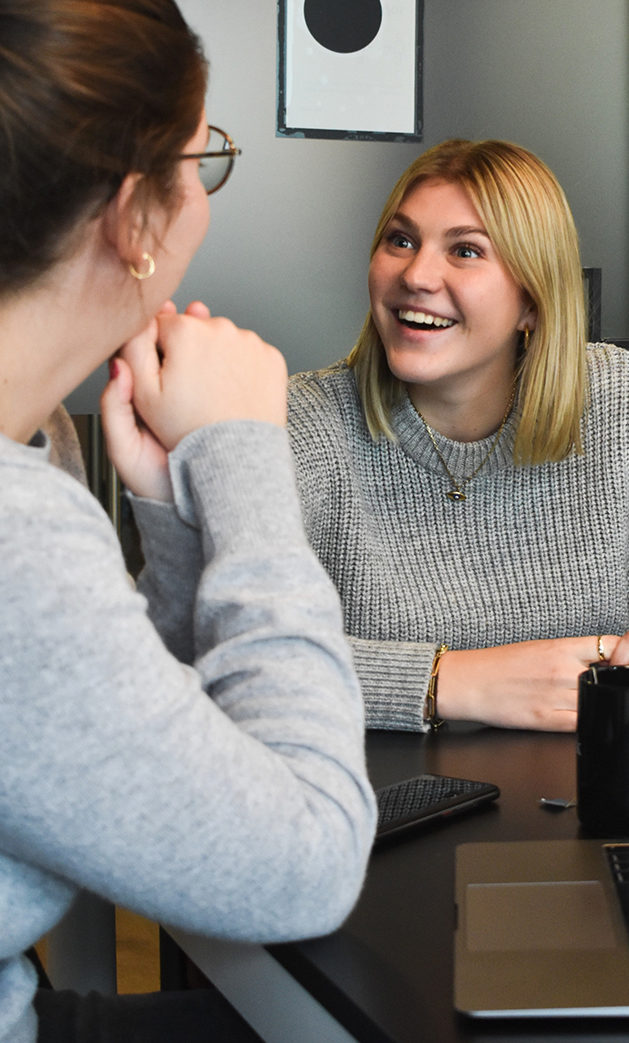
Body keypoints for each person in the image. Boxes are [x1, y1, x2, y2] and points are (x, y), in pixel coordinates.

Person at [0, 2, 376, 1041]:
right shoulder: (17, 537)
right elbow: (306, 861)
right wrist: (243, 455)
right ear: (133, 218)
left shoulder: (37, 448)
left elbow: (129, 744)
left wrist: (169, 512)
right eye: (200, 161)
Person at [287, 138, 629, 734]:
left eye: (466, 250)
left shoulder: (618, 400)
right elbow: (205, 649)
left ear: (532, 302)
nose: (416, 275)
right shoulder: (302, 424)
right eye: (401, 241)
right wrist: (448, 680)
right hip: (386, 791)